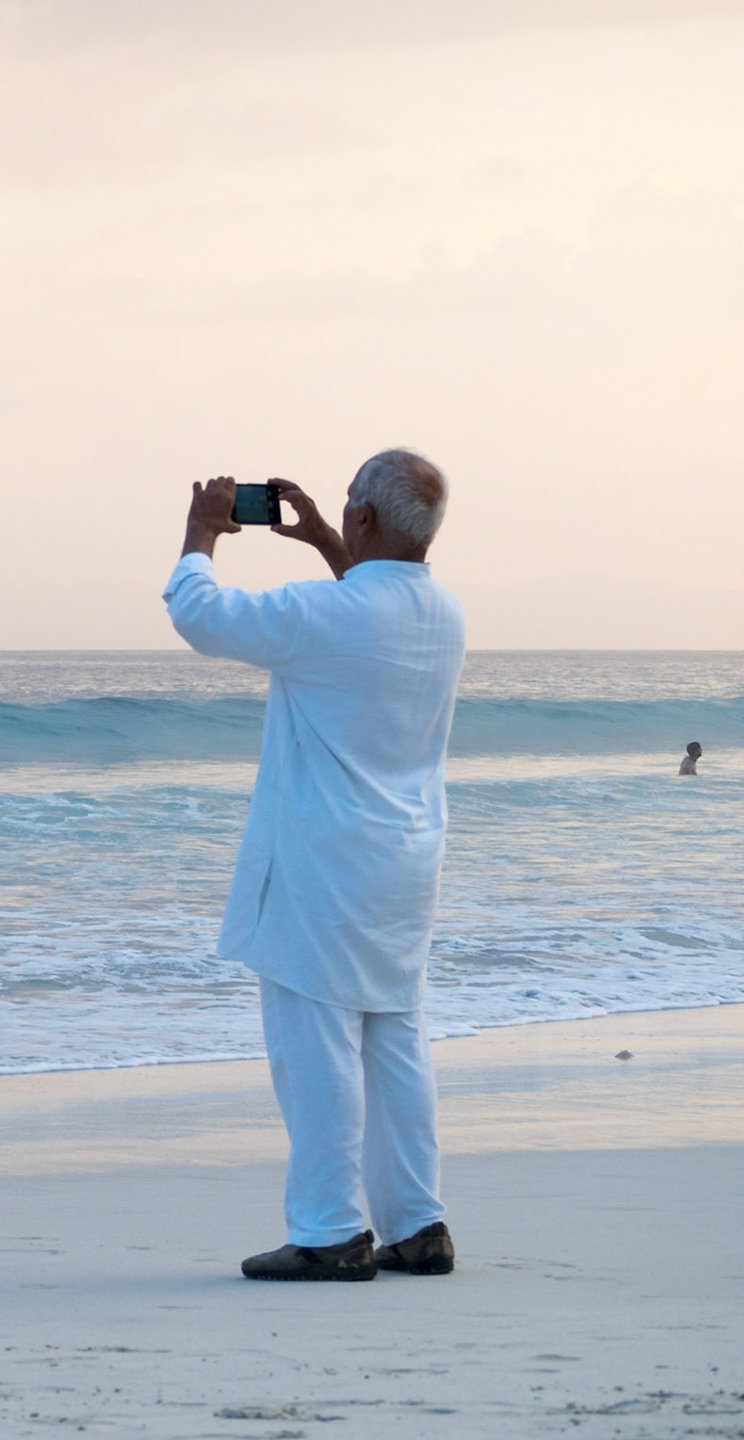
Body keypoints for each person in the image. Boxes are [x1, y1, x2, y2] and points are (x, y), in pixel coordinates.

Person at [163, 451, 465, 1281]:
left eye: (347, 509)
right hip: (406, 861)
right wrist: (333, 544)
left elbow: (200, 615)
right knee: (394, 1034)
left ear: (366, 517)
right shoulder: (445, 614)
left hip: (324, 865)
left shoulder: (321, 618)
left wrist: (201, 533)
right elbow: (373, 605)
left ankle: (331, 1231)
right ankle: (419, 1224)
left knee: (317, 1041)